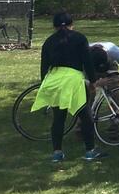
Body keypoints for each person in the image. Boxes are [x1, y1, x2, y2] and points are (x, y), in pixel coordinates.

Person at [33, 11, 101, 163]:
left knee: (58, 118)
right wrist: (92, 81)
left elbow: (44, 67)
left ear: (54, 27)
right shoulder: (79, 38)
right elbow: (87, 61)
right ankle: (90, 150)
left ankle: (57, 153)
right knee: (85, 116)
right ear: (72, 25)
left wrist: (45, 83)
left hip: (55, 80)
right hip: (73, 79)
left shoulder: (49, 41)